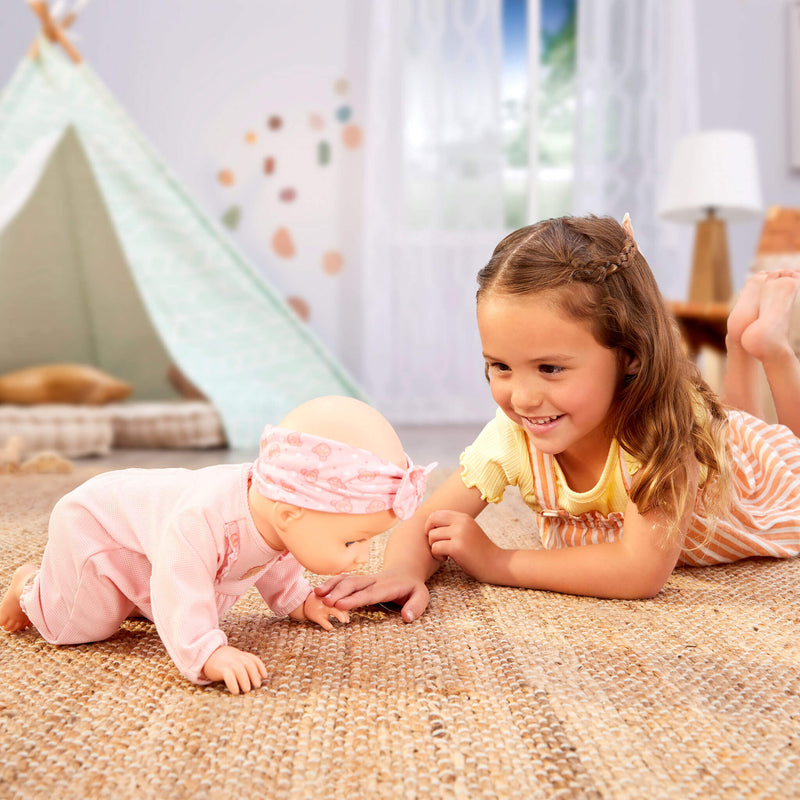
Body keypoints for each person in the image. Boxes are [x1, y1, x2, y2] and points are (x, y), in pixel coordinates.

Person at [316, 215, 800, 622]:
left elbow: (639, 572)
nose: (523, 398)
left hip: (747, 484)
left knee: (781, 448)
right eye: (500, 366)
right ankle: (743, 345)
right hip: (721, 442)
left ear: (629, 355)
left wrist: (499, 562)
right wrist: (403, 571)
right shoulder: (513, 437)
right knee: (735, 423)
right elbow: (427, 520)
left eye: (550, 368)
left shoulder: (662, 434)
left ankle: (768, 350)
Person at [0, 395, 435, 694]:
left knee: (146, 607)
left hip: (143, 536)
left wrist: (298, 600)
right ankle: (32, 588)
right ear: (289, 513)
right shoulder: (201, 520)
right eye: (353, 541)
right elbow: (179, 584)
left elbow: (279, 553)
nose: (362, 556)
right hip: (97, 528)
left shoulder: (277, 511)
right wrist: (208, 651)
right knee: (84, 627)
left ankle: (97, 590)